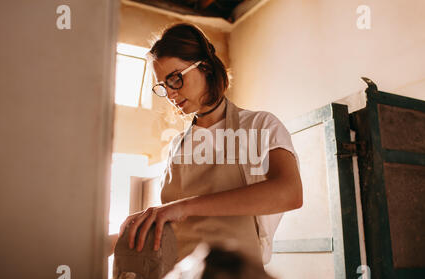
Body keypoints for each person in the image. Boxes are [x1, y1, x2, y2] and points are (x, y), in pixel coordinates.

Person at [117, 23, 303, 266]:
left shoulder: (259, 125)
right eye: (163, 86)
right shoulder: (176, 146)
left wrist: (185, 207)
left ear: (204, 66)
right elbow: (172, 227)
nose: (170, 94)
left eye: (174, 79)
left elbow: (290, 193)